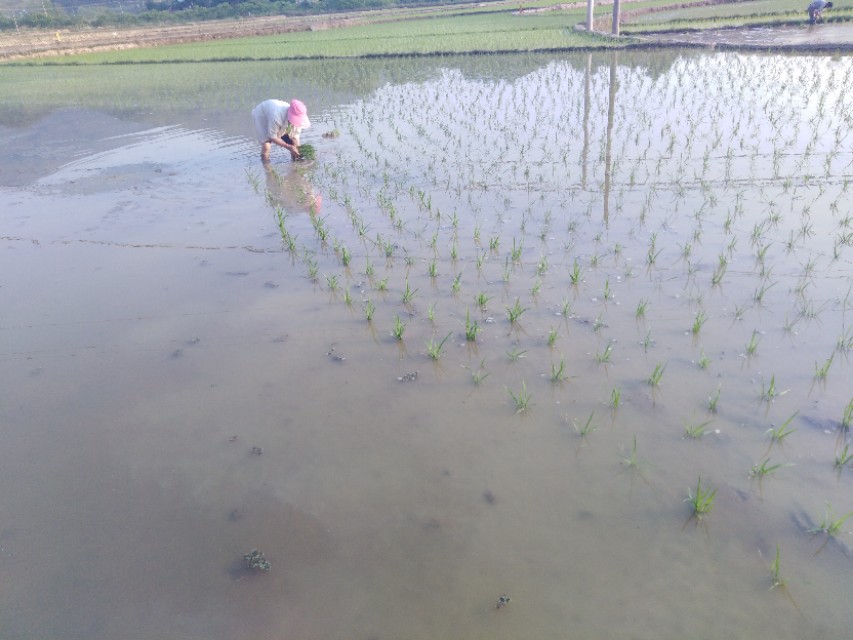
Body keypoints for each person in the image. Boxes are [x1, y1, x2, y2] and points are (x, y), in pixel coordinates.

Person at [252, 98, 311, 163]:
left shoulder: (299, 121)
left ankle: (295, 163)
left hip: (280, 119)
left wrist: (299, 150)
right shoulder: (276, 115)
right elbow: (272, 136)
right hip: (262, 115)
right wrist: (289, 147)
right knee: (266, 145)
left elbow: (295, 138)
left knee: (293, 144)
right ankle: (266, 165)